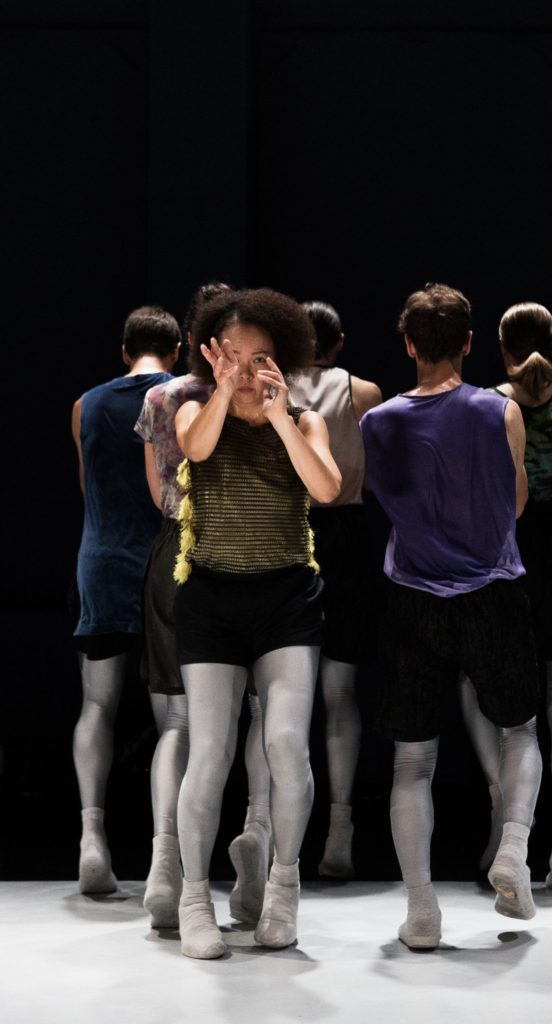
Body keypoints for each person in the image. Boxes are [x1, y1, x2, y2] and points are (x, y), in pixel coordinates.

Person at [359, 283, 543, 949]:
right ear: (468, 341)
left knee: (412, 762)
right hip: (492, 593)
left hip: (413, 599)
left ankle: (421, 911)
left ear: (409, 345)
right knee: (519, 731)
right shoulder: (500, 411)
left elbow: (380, 497)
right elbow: (514, 504)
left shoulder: (378, 421)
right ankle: (513, 848)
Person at [172, 287, 341, 959]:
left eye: (259, 359)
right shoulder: (195, 408)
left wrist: (278, 418)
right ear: (210, 357)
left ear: (283, 361)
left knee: (286, 745)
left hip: (286, 600)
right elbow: (196, 449)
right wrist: (221, 393)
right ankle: (193, 899)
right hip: (210, 599)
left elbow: (326, 488)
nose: (244, 372)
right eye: (231, 357)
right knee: (209, 752)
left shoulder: (304, 420)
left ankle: (283, 886)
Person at [229, 300, 383, 886]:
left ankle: (263, 824)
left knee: (270, 701)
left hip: (289, 533)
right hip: (344, 538)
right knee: (339, 694)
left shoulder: (269, 388)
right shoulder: (362, 392)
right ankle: (338, 827)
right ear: (339, 342)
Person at [459, 301, 552, 891]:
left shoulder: (487, 406)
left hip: (509, 560)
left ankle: (505, 811)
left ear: (501, 348)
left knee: (493, 700)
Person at [71, 305, 181, 893]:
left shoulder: (85, 404)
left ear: (123, 350)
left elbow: (87, 486)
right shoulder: (182, 398)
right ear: (179, 349)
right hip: (166, 565)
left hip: (101, 561)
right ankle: (168, 849)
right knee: (174, 718)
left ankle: (92, 835)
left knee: (97, 705)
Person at [133, 281, 232, 928]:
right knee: (249, 721)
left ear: (190, 338)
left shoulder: (161, 398)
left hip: (177, 549)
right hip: (240, 555)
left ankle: (164, 862)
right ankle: (257, 857)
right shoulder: (250, 394)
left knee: (177, 722)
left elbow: (157, 493)